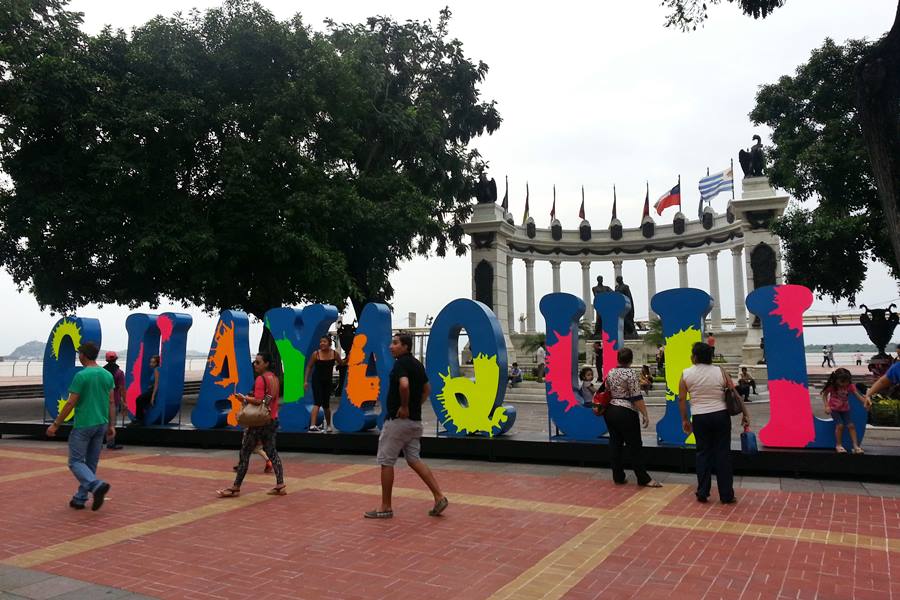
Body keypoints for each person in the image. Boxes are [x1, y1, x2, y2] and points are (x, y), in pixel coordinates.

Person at [365, 333, 447, 519]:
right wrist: (415, 405)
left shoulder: (400, 364)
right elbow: (427, 389)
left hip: (397, 422)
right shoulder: (418, 364)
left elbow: (403, 385)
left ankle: (385, 506)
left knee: (386, 462)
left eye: (395, 343)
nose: (390, 346)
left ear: (405, 346)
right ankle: (439, 496)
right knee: (414, 459)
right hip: (414, 423)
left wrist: (404, 406)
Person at [45, 342, 115, 510]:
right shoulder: (107, 375)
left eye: (79, 354)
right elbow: (111, 402)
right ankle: (80, 498)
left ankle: (95, 485)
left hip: (84, 424)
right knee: (90, 463)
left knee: (75, 461)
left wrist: (56, 424)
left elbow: (70, 403)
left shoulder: (81, 376)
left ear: (83, 355)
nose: (79, 356)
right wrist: (112, 425)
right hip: (101, 424)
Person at [679, 342, 750, 504]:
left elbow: (682, 399)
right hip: (720, 415)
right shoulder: (720, 371)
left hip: (700, 417)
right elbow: (734, 393)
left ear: (695, 356)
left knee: (703, 453)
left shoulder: (686, 374)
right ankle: (726, 495)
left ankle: (702, 492)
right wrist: (745, 414)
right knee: (723, 454)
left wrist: (684, 419)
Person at [217, 352, 285, 497]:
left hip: (259, 421)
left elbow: (259, 400)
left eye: (258, 362)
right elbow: (270, 399)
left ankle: (235, 487)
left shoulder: (261, 379)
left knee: (245, 453)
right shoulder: (274, 378)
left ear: (266, 364)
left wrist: (244, 398)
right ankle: (280, 484)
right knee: (272, 451)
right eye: (255, 362)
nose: (255, 364)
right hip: (272, 419)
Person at [600, 348, 662, 488]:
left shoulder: (611, 372)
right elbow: (636, 396)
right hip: (626, 411)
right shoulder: (630, 373)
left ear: (618, 358)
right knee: (634, 446)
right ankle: (643, 478)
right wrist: (645, 414)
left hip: (611, 410)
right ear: (631, 359)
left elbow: (608, 390)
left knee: (615, 444)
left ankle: (618, 476)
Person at [821, 368, 866, 454]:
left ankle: (856, 446)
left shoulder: (849, 386)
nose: (845, 384)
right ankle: (839, 445)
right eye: (842, 381)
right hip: (834, 409)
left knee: (851, 426)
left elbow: (857, 395)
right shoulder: (832, 386)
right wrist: (826, 406)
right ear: (836, 380)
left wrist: (865, 402)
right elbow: (824, 395)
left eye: (847, 381)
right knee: (840, 425)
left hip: (845, 409)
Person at [305, 336, 341, 432]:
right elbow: (309, 367)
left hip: (327, 381)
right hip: (317, 380)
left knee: (326, 405)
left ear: (329, 343)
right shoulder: (316, 354)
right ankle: (312, 425)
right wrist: (305, 381)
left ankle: (329, 425)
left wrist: (349, 359)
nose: (322, 343)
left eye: (324, 342)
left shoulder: (334, 354)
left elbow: (341, 363)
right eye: (320, 342)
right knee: (317, 402)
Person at [103, 351, 126, 450]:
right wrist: (124, 401)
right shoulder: (119, 373)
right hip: (114, 399)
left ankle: (97, 444)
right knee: (112, 423)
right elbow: (122, 388)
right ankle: (110, 443)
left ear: (106, 360)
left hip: (102, 400)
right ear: (116, 359)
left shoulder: (102, 372)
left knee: (101, 422)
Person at [132, 355, 160, 426]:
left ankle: (139, 419)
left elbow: (156, 384)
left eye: (153, 362)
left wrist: (153, 396)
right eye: (150, 362)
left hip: (152, 391)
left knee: (139, 399)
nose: (151, 364)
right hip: (150, 390)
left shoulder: (157, 370)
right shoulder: (155, 370)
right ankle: (139, 418)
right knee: (140, 400)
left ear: (157, 363)